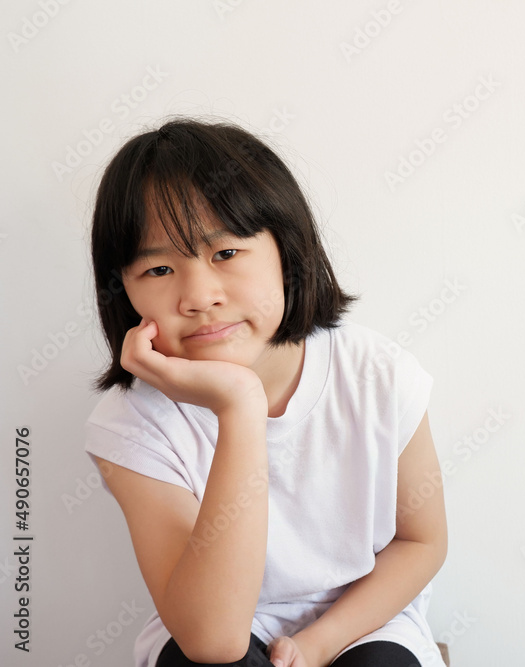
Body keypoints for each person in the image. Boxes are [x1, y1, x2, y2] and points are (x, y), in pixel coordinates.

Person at [82, 117, 449, 667]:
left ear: (287, 249)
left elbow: (421, 542)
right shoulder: (131, 424)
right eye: (158, 268)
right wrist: (239, 406)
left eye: (225, 254)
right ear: (124, 292)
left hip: (364, 621)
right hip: (215, 624)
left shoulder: (376, 373)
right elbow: (212, 638)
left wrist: (319, 643)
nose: (199, 296)